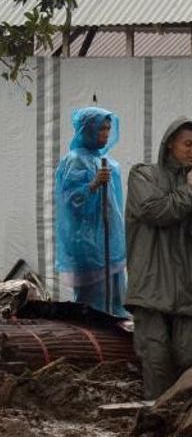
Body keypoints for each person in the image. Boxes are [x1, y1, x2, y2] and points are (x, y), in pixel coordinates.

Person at [124, 118, 192, 399]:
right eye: (187, 144)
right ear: (170, 143)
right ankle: (156, 421)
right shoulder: (143, 175)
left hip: (189, 287)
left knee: (191, 360)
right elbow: (155, 211)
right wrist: (190, 192)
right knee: (155, 360)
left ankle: (191, 421)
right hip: (151, 286)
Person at [54, 106, 127, 317]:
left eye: (108, 129)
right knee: (93, 306)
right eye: (101, 129)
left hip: (110, 243)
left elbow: (115, 205)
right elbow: (69, 202)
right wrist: (93, 185)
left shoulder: (110, 164)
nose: (106, 134)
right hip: (88, 246)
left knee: (116, 300)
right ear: (87, 130)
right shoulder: (74, 160)